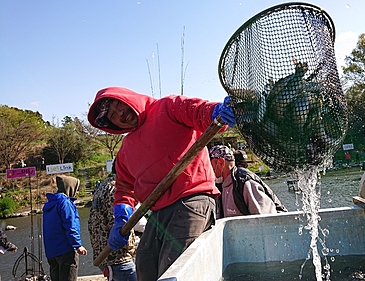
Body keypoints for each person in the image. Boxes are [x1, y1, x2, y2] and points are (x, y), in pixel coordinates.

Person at [87, 86, 236, 280]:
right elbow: (124, 188)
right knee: (145, 265)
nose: (121, 114)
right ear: (111, 124)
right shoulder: (124, 151)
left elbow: (199, 111)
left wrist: (216, 113)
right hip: (157, 213)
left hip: (192, 199)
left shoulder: (167, 106)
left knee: (174, 268)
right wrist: (121, 216)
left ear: (127, 98)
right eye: (114, 116)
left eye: (119, 105)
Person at [209, 145, 287, 218]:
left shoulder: (246, 183)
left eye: (209, 164)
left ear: (220, 163)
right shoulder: (219, 185)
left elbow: (266, 220)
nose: (207, 169)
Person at [89, 167, 138, 281]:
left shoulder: (102, 187)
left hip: (105, 257)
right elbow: (119, 224)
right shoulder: (117, 189)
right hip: (118, 257)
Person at [42, 175, 87, 281]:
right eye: (76, 189)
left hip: (52, 253)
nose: (77, 192)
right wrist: (78, 245)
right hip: (66, 251)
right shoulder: (65, 203)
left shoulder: (50, 204)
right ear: (70, 188)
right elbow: (70, 226)